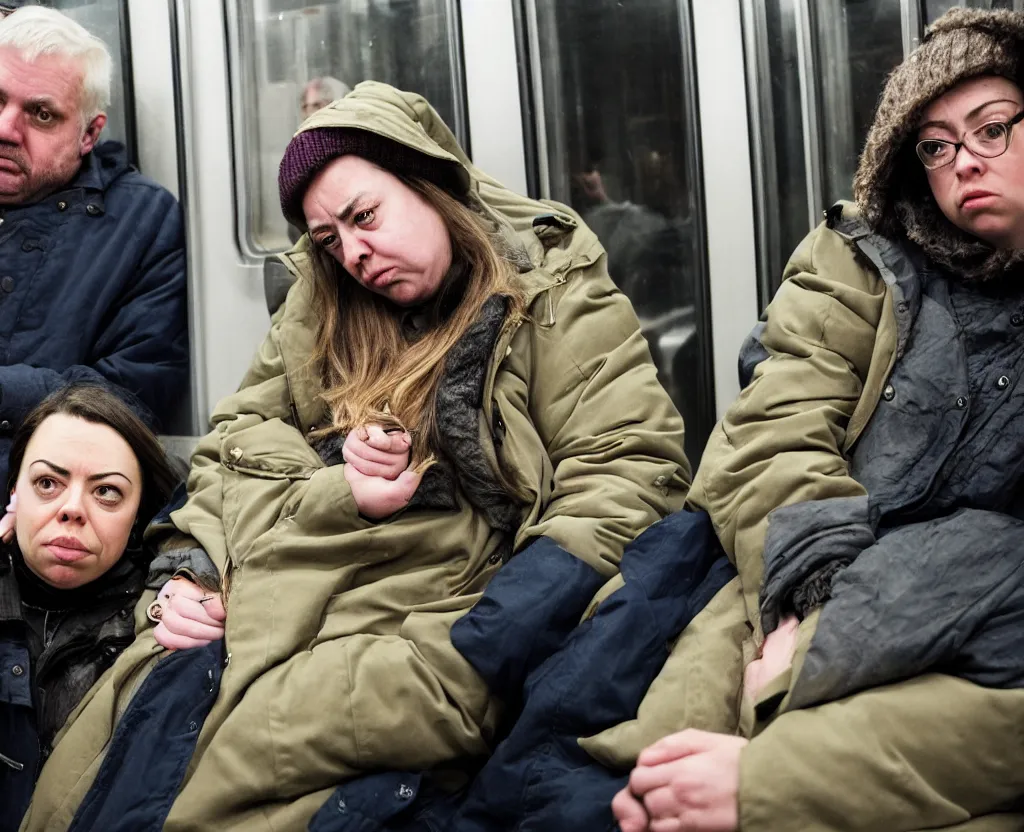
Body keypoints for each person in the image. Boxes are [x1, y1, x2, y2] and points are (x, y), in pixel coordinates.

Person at [20, 80, 690, 831]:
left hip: (453, 607)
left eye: (365, 216)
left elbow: (628, 466)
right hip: (297, 573)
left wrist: (498, 632)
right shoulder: (321, 305)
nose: (357, 255)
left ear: (427, 181)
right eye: (331, 240)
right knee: (136, 721)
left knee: (233, 750)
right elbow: (236, 438)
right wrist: (191, 565)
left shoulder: (553, 290)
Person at [605, 8, 1024, 832]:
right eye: (936, 146)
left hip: (982, 633)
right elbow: (773, 431)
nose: (965, 160)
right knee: (638, 782)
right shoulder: (865, 260)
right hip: (807, 578)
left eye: (993, 129)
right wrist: (815, 590)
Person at [0, 4, 188, 485]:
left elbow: (132, 396)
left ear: (89, 134)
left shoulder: (142, 223)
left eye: (41, 114)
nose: (6, 129)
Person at [0, 384, 184, 832]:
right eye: (47, 483)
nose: (71, 509)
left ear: (139, 515)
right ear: (14, 496)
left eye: (106, 493)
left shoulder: (167, 629)